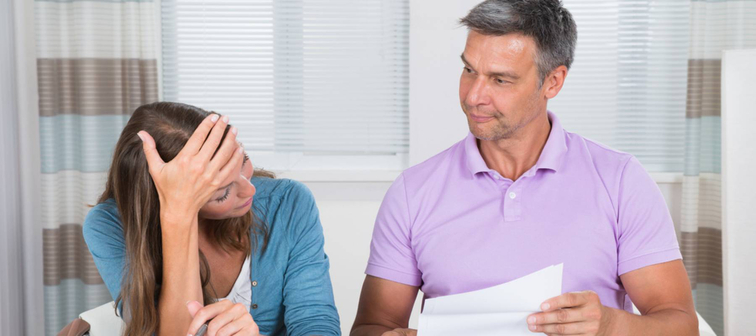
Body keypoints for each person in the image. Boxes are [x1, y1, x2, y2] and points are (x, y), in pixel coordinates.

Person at [351, 1, 698, 335]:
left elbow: (682, 327)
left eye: (500, 80)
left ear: (553, 81)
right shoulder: (413, 192)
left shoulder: (621, 181)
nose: (474, 96)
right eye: (469, 70)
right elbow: (371, 326)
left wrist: (611, 326)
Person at [83, 102, 341, 336]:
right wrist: (178, 216)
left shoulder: (288, 203)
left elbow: (317, 325)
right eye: (223, 193)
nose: (250, 189)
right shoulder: (110, 226)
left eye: (243, 162)